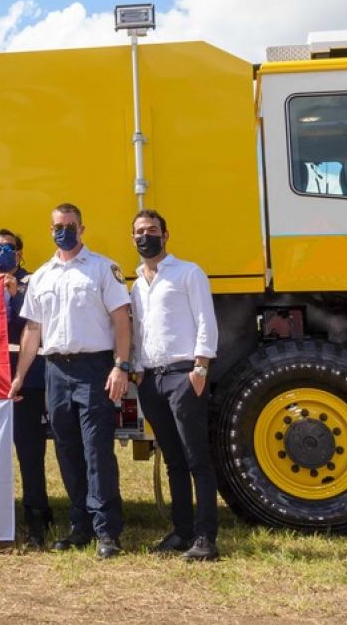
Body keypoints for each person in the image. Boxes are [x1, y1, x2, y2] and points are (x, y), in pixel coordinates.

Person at [9, 203, 131, 560]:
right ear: (50, 231)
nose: (64, 230)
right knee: (66, 450)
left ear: (82, 227)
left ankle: (106, 530)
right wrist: (19, 376)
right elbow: (33, 330)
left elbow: (121, 320)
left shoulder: (102, 269)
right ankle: (80, 527)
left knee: (97, 450)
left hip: (94, 368)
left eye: (71, 225)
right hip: (55, 371)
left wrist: (121, 366)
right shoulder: (42, 276)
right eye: (58, 226)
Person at [128, 210, 220, 562]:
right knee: (173, 461)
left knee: (197, 459)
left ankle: (206, 538)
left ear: (166, 235)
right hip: (151, 379)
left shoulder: (188, 272)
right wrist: (136, 368)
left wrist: (200, 366)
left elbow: (204, 320)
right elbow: (138, 332)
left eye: (151, 230)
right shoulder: (137, 283)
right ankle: (182, 532)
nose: (144, 236)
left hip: (184, 375)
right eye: (138, 231)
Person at [0, 228, 53, 549]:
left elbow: (33, 324)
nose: (0, 254)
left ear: (19, 252)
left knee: (30, 452)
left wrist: (16, 294)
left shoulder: (32, 283)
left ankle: (37, 518)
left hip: (27, 380)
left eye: (7, 248)